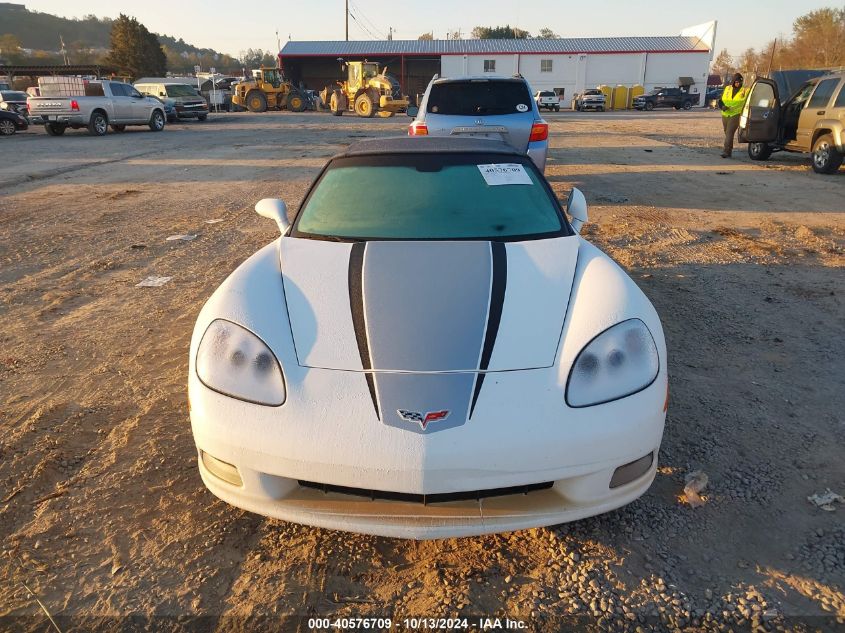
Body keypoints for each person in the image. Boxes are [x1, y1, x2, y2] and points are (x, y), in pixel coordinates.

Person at [718, 73, 750, 158]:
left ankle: (726, 151)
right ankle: (729, 149)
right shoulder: (727, 89)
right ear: (733, 82)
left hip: (736, 114)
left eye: (739, 82)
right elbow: (720, 101)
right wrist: (722, 107)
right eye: (736, 82)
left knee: (729, 132)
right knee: (727, 132)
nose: (738, 83)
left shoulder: (745, 90)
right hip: (725, 114)